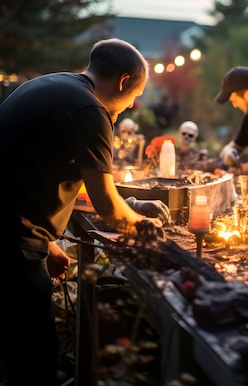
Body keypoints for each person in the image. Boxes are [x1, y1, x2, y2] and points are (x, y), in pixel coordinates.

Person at [0, 38, 170, 385]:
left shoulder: (52, 85)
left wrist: (47, 242)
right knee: (34, 365)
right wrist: (147, 231)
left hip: (13, 230)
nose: (135, 103)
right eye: (135, 93)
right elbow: (106, 203)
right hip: (11, 246)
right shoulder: (90, 110)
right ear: (123, 81)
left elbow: (27, 169)